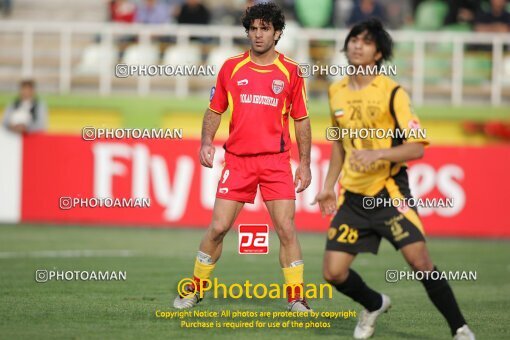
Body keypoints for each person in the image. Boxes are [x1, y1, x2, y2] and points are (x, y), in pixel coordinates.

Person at [313, 19, 475, 340]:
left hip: (389, 194)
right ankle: (374, 303)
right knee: (333, 272)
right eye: (353, 39)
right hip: (353, 199)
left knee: (420, 262)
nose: (358, 45)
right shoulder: (336, 91)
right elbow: (338, 143)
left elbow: (416, 148)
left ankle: (460, 329)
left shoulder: (394, 93)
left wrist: (378, 155)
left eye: (366, 41)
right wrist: (327, 185)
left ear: (378, 53)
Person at [173, 2, 313, 312]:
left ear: (277, 33)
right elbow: (214, 110)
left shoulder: (290, 71)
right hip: (237, 161)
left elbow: (301, 120)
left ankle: (296, 298)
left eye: (265, 29)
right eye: (254, 28)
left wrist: (305, 163)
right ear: (247, 31)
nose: (259, 34)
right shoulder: (231, 67)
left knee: (287, 230)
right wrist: (206, 141)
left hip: (276, 162)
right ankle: (193, 291)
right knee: (218, 228)